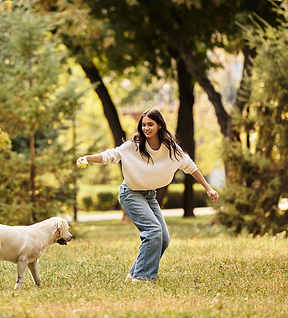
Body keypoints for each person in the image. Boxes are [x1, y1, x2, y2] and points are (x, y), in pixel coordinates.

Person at [76, 109, 219, 282]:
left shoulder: (171, 149)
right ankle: (142, 278)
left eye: (150, 124)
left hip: (149, 195)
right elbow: (111, 155)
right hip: (130, 193)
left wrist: (208, 188)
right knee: (153, 231)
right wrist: (87, 158)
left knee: (163, 239)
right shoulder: (133, 145)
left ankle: (133, 274)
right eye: (143, 125)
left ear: (159, 125)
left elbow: (191, 167)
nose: (146, 128)